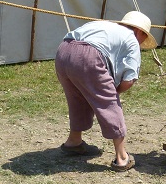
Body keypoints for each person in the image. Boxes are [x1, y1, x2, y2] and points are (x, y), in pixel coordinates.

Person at [55, 11, 157, 172]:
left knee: (77, 98)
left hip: (63, 51)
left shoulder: (103, 26)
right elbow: (129, 80)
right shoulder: (131, 38)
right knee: (109, 103)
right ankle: (122, 157)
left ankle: (74, 141)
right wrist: (112, 93)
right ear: (140, 32)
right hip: (88, 56)